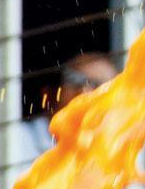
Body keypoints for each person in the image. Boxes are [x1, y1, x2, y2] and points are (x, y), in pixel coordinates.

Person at [11, 51, 118, 181]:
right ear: (50, 95)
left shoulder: (122, 150)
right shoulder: (16, 141)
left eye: (101, 86)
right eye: (75, 81)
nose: (85, 91)